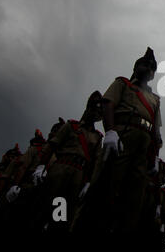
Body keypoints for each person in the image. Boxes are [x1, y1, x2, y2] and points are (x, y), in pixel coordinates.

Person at [101, 47, 163, 231]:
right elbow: (108, 104)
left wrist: (155, 156)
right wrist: (110, 131)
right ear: (135, 67)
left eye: (151, 67)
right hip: (122, 137)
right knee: (108, 188)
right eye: (144, 64)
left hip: (143, 148)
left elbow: (157, 130)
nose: (148, 68)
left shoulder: (155, 99)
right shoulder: (123, 83)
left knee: (134, 198)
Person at [32, 91, 104, 231]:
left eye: (98, 112)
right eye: (93, 109)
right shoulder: (71, 126)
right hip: (60, 168)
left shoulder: (97, 137)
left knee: (63, 214)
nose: (95, 113)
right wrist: (41, 167)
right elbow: (52, 145)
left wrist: (88, 182)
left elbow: (95, 163)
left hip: (78, 176)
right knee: (44, 206)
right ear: (88, 108)